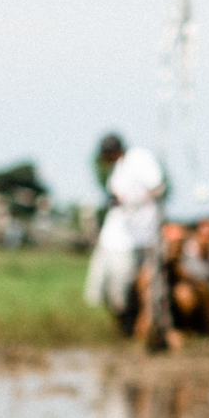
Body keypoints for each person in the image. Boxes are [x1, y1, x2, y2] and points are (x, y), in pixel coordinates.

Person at [84, 135, 170, 340]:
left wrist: (133, 202)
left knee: (129, 286)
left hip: (137, 237)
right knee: (104, 288)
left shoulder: (139, 158)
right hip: (114, 237)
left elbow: (158, 187)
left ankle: (138, 327)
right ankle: (125, 327)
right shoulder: (117, 169)